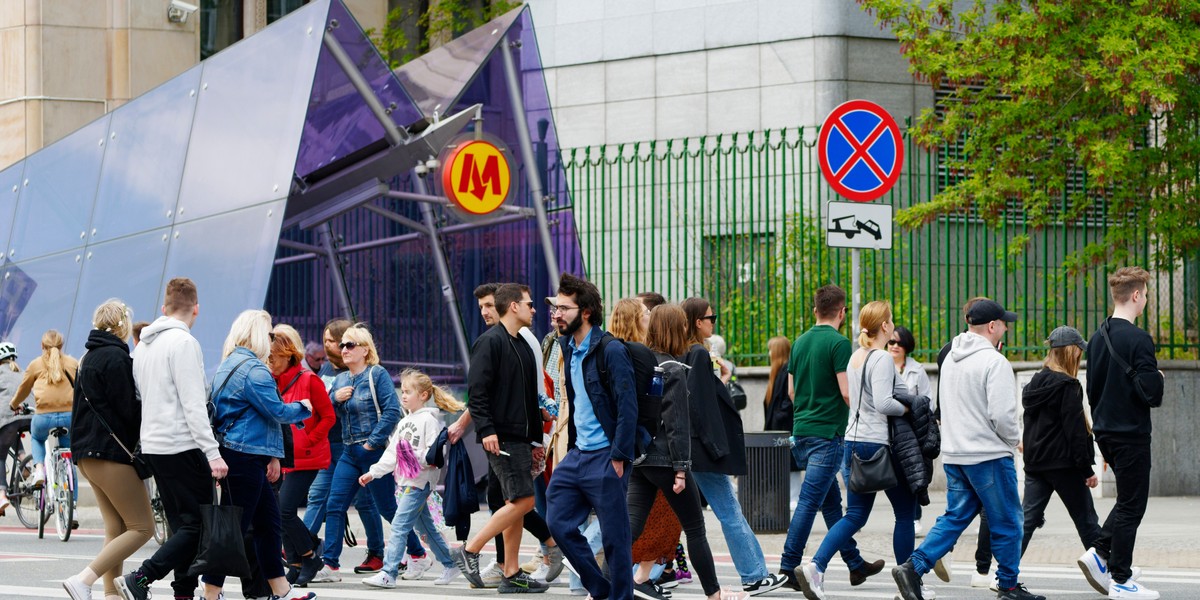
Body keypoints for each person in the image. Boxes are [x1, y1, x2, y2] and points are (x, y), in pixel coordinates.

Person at [893, 299, 1044, 600]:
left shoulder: (950, 358)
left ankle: (914, 565)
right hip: (988, 454)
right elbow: (1001, 416)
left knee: (955, 516)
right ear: (991, 326)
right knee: (1009, 520)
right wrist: (1013, 439)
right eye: (1003, 323)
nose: (1006, 327)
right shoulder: (994, 361)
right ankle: (1008, 584)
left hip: (956, 453)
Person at [797, 301, 918, 600]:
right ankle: (909, 582)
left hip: (853, 441)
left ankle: (816, 567)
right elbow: (883, 403)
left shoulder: (856, 357)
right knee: (904, 512)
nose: (892, 323)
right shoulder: (882, 358)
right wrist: (907, 406)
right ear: (885, 326)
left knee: (855, 516)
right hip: (876, 444)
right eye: (890, 320)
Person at [117, 277, 228, 600]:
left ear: (164, 308)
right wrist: (213, 453)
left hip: (154, 446)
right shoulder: (184, 344)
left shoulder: (144, 347)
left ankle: (183, 592)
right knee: (198, 526)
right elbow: (193, 404)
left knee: (183, 527)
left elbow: (139, 395)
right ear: (197, 309)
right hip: (183, 444)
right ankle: (141, 577)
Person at [631, 303, 749, 600]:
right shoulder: (674, 369)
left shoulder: (642, 366)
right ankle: (713, 593)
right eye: (683, 325)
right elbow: (677, 423)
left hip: (640, 458)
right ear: (676, 329)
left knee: (629, 528)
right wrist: (681, 468)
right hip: (668, 462)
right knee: (695, 528)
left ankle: (602, 584)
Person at [199, 310, 313, 600]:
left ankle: (281, 589)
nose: (272, 339)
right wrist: (304, 406)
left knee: (267, 525)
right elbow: (276, 411)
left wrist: (272, 456)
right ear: (258, 335)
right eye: (270, 333)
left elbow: (257, 416)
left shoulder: (229, 364)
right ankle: (210, 592)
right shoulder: (254, 369)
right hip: (245, 456)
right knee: (235, 531)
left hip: (243, 454)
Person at [680, 298, 787, 596]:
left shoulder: (689, 352)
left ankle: (756, 573)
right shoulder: (698, 354)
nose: (714, 321)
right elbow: (701, 406)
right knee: (729, 510)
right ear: (697, 322)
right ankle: (754, 575)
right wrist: (716, 448)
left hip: (694, 448)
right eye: (710, 317)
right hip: (705, 448)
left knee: (717, 511)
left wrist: (722, 378)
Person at [460, 283, 563, 587]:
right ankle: (470, 550)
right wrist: (487, 430)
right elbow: (477, 393)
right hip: (502, 436)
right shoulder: (489, 342)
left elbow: (529, 396)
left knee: (513, 501)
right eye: (529, 304)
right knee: (524, 501)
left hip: (521, 437)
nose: (534, 309)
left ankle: (511, 574)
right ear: (514, 306)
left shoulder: (520, 344)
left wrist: (536, 436)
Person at [779, 285, 881, 590]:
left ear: (815, 311)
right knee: (810, 501)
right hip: (828, 434)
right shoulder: (838, 344)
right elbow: (846, 391)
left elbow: (791, 392)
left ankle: (854, 563)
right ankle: (788, 565)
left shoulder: (799, 342)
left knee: (832, 503)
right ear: (842, 311)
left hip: (803, 432)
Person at [543, 274, 635, 600]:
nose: (555, 314)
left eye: (563, 308)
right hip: (578, 455)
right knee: (558, 522)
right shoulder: (568, 347)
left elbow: (627, 406)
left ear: (584, 312)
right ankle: (599, 588)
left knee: (614, 537)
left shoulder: (611, 350)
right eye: (555, 307)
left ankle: (620, 597)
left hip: (607, 456)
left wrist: (620, 456)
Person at [1078, 267, 1165, 600]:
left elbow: (1093, 388)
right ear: (1137, 295)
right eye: (1146, 294)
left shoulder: (1098, 337)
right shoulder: (1139, 339)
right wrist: (1157, 378)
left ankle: (1100, 551)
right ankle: (1121, 578)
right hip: (1131, 434)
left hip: (1105, 432)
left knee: (1127, 499)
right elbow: (1152, 395)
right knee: (1133, 505)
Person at [62, 301, 154, 600]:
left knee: (115, 527)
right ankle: (83, 579)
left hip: (86, 454)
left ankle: (111, 595)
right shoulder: (116, 358)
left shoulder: (87, 356)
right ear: (122, 326)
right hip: (110, 452)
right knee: (142, 528)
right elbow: (127, 411)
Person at [305, 318, 401, 579]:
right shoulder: (338, 379)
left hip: (373, 451)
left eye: (349, 345)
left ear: (364, 349)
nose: (342, 349)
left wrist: (373, 442)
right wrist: (333, 399)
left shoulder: (376, 374)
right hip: (347, 451)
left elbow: (393, 410)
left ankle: (415, 553)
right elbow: (323, 412)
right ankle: (331, 564)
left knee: (385, 508)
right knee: (334, 505)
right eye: (341, 345)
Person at [359, 369, 466, 588]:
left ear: (424, 395)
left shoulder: (429, 420)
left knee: (399, 525)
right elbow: (391, 455)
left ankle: (389, 572)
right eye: (403, 391)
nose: (403, 395)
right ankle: (451, 563)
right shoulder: (404, 422)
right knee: (425, 528)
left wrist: (413, 455)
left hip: (420, 483)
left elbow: (435, 454)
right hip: (407, 482)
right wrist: (374, 472)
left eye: (409, 391)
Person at [1020, 327, 1102, 558]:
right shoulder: (1067, 385)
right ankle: (1111, 574)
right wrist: (1087, 469)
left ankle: (1005, 575)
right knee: (1086, 520)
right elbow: (1074, 432)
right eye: (1079, 351)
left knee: (1027, 521)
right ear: (1072, 352)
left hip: (1036, 465)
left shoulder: (1034, 385)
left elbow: (1030, 427)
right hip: (1064, 465)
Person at [268, 327, 335, 586]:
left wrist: (308, 440)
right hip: (283, 457)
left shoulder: (309, 380)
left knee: (284, 510)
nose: (270, 362)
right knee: (281, 511)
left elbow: (328, 416)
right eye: (268, 358)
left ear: (288, 355)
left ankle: (310, 556)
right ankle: (296, 563)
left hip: (307, 457)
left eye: (274, 357)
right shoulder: (272, 382)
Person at [11, 329, 79, 490]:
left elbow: (23, 390)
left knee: (37, 438)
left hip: (43, 416)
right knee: (67, 454)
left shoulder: (35, 365)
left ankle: (40, 469)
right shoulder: (72, 362)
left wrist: (14, 405)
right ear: (61, 345)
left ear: (42, 345)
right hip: (69, 416)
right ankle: (73, 506)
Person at [890, 325, 931, 535]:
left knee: (912, 474)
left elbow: (926, 401)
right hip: (889, 431)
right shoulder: (882, 366)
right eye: (891, 342)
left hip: (912, 431)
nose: (895, 346)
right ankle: (902, 516)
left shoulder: (918, 370)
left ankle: (914, 517)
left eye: (899, 343)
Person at [0, 342, 27, 516]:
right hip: (30, 416)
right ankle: (26, 461)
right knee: (14, 431)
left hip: (9, 416)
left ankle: (1, 495)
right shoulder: (22, 371)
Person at [763, 336, 793, 431]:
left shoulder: (787, 371)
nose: (769, 354)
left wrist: (778, 417)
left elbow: (788, 399)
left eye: (771, 350)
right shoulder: (778, 371)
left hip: (782, 427)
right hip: (777, 425)